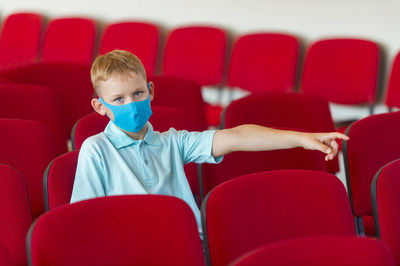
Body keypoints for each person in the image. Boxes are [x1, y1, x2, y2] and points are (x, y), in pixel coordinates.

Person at [71, 49, 349, 237]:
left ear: (151, 91)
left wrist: (301, 139)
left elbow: (236, 137)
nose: (131, 105)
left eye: (138, 93)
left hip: (188, 247)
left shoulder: (173, 142)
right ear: (100, 106)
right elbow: (86, 222)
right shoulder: (96, 150)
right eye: (118, 99)